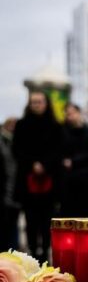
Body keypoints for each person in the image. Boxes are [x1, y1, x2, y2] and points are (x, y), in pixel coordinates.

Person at [12, 91, 63, 261]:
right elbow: (17, 150)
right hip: (28, 180)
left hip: (50, 180)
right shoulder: (21, 125)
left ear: (46, 103)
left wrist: (45, 165)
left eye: (40, 102)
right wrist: (33, 164)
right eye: (33, 102)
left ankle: (45, 251)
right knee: (31, 219)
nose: (37, 105)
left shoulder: (55, 126)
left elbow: (59, 151)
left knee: (47, 220)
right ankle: (33, 252)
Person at [59, 103, 88, 217]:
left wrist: (74, 161)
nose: (70, 116)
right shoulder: (62, 132)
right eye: (67, 114)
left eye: (72, 113)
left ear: (78, 113)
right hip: (67, 182)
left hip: (86, 181)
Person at [0, 118, 18, 250]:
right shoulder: (3, 142)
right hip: (5, 189)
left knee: (12, 225)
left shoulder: (18, 142)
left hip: (14, 190)